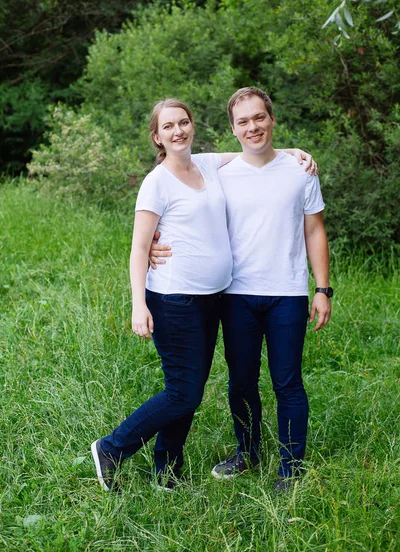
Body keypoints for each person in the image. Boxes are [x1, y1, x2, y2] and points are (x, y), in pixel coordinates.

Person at [91, 97, 316, 492]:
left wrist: (294, 153)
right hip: (174, 299)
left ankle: (167, 471)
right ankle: (112, 447)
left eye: (184, 122)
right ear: (156, 137)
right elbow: (140, 247)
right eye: (168, 127)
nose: (177, 131)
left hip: (213, 299)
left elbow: (249, 150)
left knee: (186, 389)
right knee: (184, 392)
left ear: (193, 126)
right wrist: (138, 303)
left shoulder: (208, 166)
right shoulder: (156, 181)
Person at [150, 87, 332, 491]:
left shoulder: (299, 170)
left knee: (288, 381)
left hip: (287, 293)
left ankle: (291, 467)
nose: (253, 127)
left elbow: (315, 229)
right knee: (242, 381)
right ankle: (247, 452)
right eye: (243, 121)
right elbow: (171, 187)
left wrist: (323, 288)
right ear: (232, 129)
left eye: (259, 118)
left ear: (271, 118)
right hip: (234, 296)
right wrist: (151, 245)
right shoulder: (218, 172)